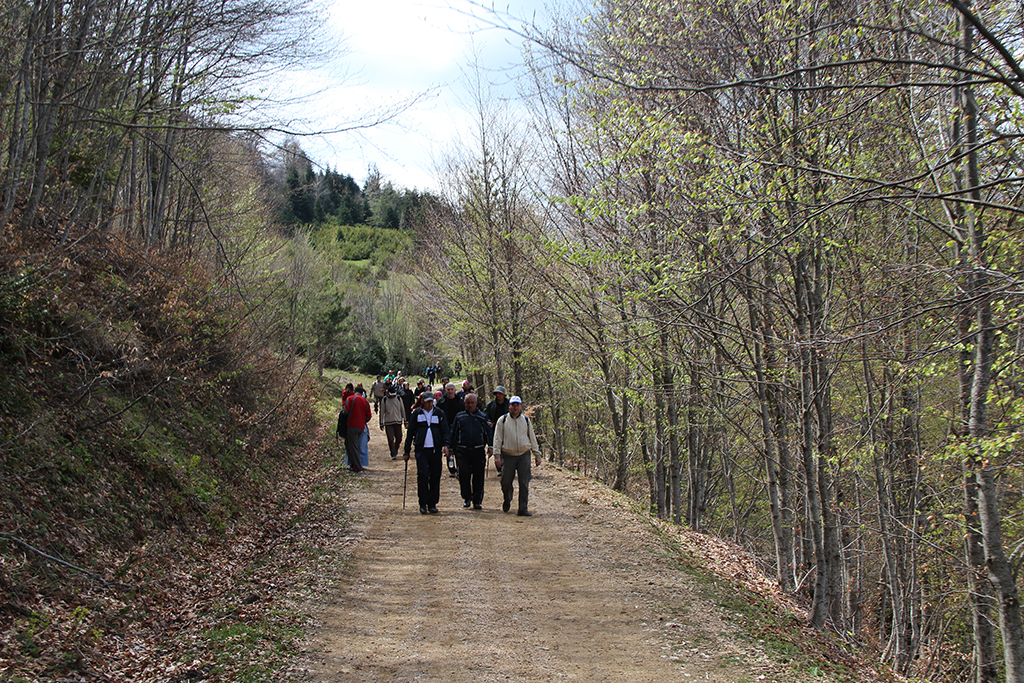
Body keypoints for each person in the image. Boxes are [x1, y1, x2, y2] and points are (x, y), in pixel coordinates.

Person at [492, 395, 541, 516]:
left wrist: (537, 454)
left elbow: (532, 438)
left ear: (520, 406)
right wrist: (497, 455)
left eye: (517, 405)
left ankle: (523, 508)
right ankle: (507, 497)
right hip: (508, 455)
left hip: (524, 455)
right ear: (509, 406)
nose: (515, 407)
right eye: (513, 405)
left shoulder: (526, 420)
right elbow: (497, 439)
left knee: (524, 482)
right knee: (506, 482)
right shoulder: (502, 420)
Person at [404, 392, 450, 514]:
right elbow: (410, 432)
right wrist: (406, 451)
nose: (430, 404)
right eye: (427, 402)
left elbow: (445, 430)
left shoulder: (439, 413)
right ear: (423, 402)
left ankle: (432, 503)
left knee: (435, 476)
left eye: (431, 401)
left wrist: (446, 445)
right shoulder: (416, 414)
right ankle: (423, 503)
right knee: (423, 475)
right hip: (421, 450)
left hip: (435, 450)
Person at [450, 393, 492, 509]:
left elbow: (488, 433)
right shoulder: (459, 417)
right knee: (464, 475)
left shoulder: (482, 417)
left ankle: (477, 500)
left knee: (478, 477)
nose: (470, 405)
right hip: (462, 451)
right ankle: (467, 498)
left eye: (472, 403)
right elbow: (453, 433)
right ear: (464, 403)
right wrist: (450, 448)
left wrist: (491, 446)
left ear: (476, 403)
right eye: (468, 403)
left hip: (478, 450)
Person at [344, 390, 372, 473]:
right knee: (358, 446)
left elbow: (345, 411)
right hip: (361, 427)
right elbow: (368, 416)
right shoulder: (365, 401)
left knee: (353, 446)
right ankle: (355, 465)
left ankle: (357, 467)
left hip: (352, 425)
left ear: (355, 391)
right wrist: (363, 421)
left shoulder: (350, 398)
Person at [485, 385, 509, 475]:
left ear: (504, 395)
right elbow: (485, 415)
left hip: (507, 429)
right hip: (494, 429)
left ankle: (506, 467)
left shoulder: (509, 404)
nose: (498, 395)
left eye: (500, 394)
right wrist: (488, 422)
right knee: (497, 447)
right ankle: (499, 468)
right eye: (496, 394)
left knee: (506, 448)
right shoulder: (491, 404)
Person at [379, 384, 406, 460]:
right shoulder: (384, 400)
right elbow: (382, 412)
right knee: (390, 438)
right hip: (388, 422)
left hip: (398, 421)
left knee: (399, 437)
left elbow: (402, 409)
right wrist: (381, 423)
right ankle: (393, 453)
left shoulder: (398, 398)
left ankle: (395, 449)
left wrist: (405, 420)